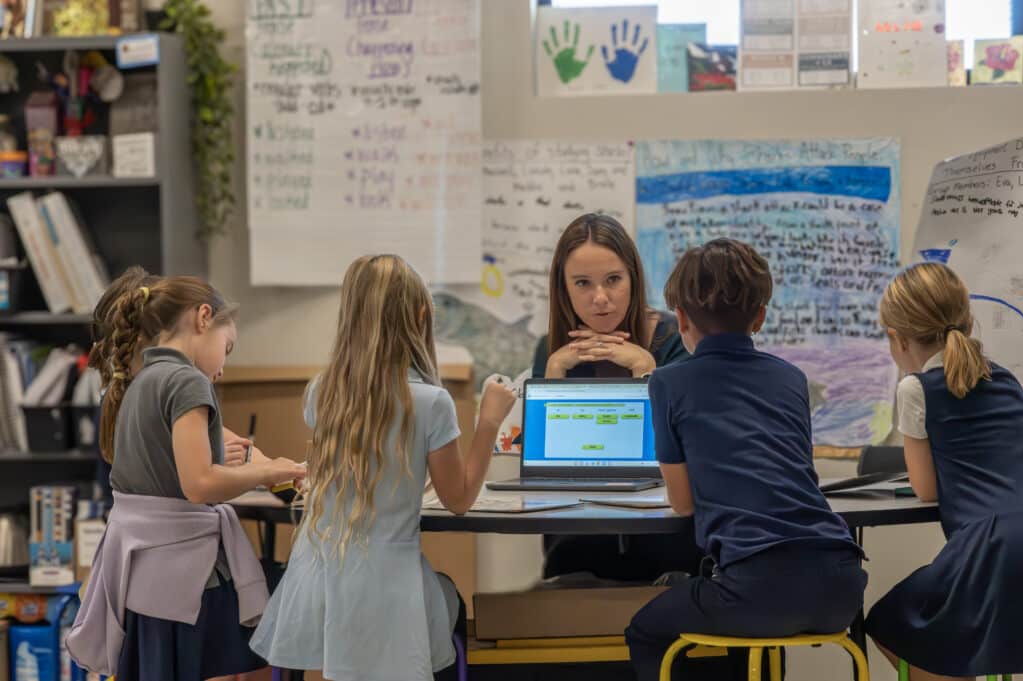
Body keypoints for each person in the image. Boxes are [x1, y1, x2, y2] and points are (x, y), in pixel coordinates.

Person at [250, 255, 517, 681]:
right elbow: (460, 500)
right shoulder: (431, 401)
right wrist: (488, 421)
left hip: (320, 585)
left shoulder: (322, 391)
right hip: (391, 592)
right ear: (420, 317)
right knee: (452, 605)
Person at [625, 238, 866, 681]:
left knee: (645, 631)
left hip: (759, 591)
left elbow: (683, 504)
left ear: (679, 317)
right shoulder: (792, 378)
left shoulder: (667, 383)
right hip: (841, 588)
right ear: (761, 316)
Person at [67, 276, 306, 681]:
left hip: (143, 577)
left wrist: (256, 466)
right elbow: (199, 485)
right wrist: (271, 470)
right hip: (184, 578)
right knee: (293, 593)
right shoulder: (186, 381)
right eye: (226, 348)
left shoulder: (137, 383)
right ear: (203, 317)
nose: (224, 366)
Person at [865, 262, 1023, 681]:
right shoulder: (1006, 380)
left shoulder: (916, 388)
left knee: (888, 622)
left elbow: (926, 488)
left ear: (897, 340)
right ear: (967, 321)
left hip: (988, 549)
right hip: (1014, 538)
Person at [531, 213, 696, 582]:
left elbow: (680, 455)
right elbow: (544, 467)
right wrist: (554, 374)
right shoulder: (551, 349)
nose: (600, 299)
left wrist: (645, 369)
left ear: (633, 279)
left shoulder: (676, 339)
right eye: (583, 284)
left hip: (666, 533)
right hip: (577, 533)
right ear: (564, 289)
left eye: (613, 280)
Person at [89, 267, 266, 467]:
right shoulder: (129, 401)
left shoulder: (161, 392)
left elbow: (227, 440)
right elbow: (157, 475)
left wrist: (267, 466)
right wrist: (213, 461)